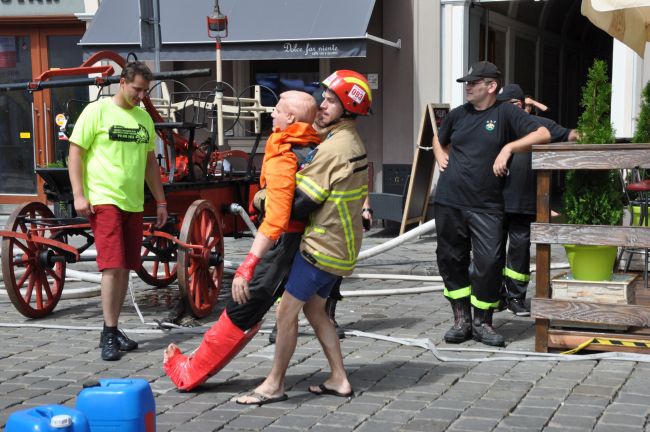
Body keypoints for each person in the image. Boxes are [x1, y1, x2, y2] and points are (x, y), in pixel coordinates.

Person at [163, 91, 320, 390]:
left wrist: (249, 265)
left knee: (244, 305)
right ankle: (338, 375)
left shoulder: (284, 153)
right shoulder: (314, 146)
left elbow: (277, 218)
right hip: (307, 242)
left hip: (282, 242)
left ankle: (189, 374)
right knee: (315, 313)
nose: (271, 114)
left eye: (277, 110)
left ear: (291, 119)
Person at [236, 70, 371, 405]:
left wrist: (263, 197)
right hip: (341, 245)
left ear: (348, 108)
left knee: (285, 312)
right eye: (323, 98)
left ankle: (274, 384)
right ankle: (339, 378)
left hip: (320, 248)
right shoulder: (347, 141)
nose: (322, 105)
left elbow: (300, 204)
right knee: (316, 311)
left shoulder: (334, 149)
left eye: (330, 101)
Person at [433, 61, 550, 347]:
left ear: (491, 86)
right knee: (451, 259)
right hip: (450, 201)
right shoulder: (458, 115)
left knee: (488, 263)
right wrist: (439, 154)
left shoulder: (506, 113)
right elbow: (438, 137)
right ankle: (461, 320)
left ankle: (483, 322)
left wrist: (508, 147)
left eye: (474, 82)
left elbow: (543, 134)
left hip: (486, 204)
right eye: (466, 83)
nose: (468, 87)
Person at [68, 61, 168, 361]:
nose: (140, 96)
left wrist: (160, 201)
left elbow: (151, 162)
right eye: (137, 89)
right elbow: (76, 151)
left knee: (126, 265)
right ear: (122, 83)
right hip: (104, 198)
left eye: (145, 91)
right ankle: (108, 332)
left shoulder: (143, 118)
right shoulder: (96, 111)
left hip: (133, 201)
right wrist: (79, 194)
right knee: (112, 265)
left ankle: (113, 327)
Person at [495, 84, 577, 316]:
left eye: (513, 104)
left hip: (524, 203)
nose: (509, 110)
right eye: (504, 105)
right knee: (492, 252)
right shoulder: (499, 124)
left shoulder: (541, 126)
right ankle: (494, 296)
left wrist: (594, 131)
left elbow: (570, 134)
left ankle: (516, 298)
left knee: (519, 253)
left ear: (523, 106)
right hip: (495, 201)